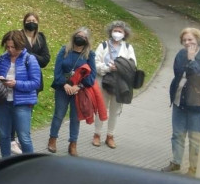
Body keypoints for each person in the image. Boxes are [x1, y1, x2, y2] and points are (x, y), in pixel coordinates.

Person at [163, 27, 200, 175]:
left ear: (198, 39)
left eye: (190, 39)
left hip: (197, 103)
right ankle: (176, 162)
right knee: (177, 134)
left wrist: (192, 60)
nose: (187, 42)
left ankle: (193, 167)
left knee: (195, 138)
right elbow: (178, 74)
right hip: (180, 101)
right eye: (184, 40)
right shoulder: (180, 54)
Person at [48, 27, 96, 156]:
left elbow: (92, 77)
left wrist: (78, 87)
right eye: (78, 35)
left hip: (78, 91)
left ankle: (73, 143)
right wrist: (64, 84)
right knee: (59, 114)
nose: (80, 38)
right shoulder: (64, 50)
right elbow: (57, 71)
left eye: (84, 37)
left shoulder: (89, 54)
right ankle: (52, 139)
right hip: (63, 88)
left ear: (87, 41)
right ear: (74, 36)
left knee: (75, 118)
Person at [0, 30, 41, 157]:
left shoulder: (29, 59)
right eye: (7, 46)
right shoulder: (3, 58)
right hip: (3, 102)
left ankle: (29, 166)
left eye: (13, 47)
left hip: (22, 103)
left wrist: (17, 84)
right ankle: (5, 164)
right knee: (4, 135)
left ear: (20, 45)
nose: (9, 49)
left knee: (24, 136)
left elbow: (36, 82)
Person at [11, 12, 51, 154]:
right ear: (24, 22)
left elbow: (46, 59)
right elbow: (15, 54)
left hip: (34, 78)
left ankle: (22, 136)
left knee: (27, 109)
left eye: (34, 20)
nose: (31, 22)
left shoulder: (40, 38)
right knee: (15, 107)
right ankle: (13, 138)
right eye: (28, 20)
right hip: (19, 76)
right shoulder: (18, 35)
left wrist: (31, 56)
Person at [93, 21, 137, 149]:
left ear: (125, 34)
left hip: (119, 83)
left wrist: (119, 67)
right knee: (101, 108)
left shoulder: (128, 48)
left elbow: (132, 65)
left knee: (114, 110)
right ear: (111, 31)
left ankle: (110, 136)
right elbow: (95, 63)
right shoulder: (103, 45)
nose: (117, 33)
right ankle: (97, 134)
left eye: (120, 31)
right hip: (104, 82)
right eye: (115, 30)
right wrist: (107, 68)